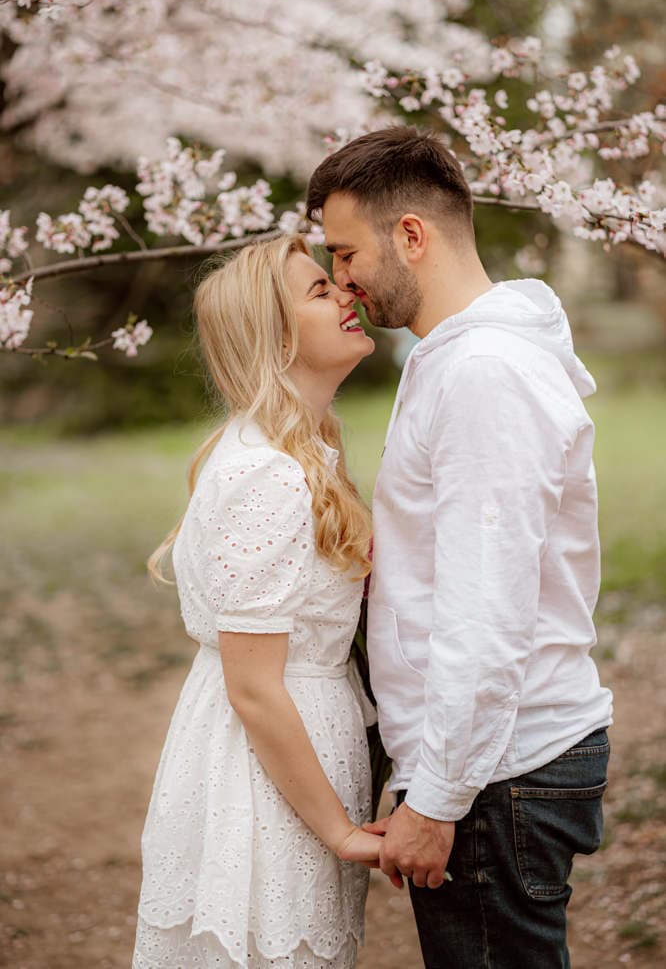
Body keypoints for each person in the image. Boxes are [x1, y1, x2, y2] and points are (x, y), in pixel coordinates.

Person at [306, 125, 614, 968]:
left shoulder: (483, 371)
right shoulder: (455, 359)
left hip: (499, 770)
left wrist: (437, 798)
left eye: (344, 252)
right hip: (490, 761)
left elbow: (487, 608)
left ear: (411, 235)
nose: (342, 281)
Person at [132, 234, 388, 969]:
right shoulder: (268, 474)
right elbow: (252, 684)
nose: (346, 293)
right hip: (262, 773)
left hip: (295, 751)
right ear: (277, 337)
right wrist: (340, 830)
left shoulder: (298, 450)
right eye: (318, 291)